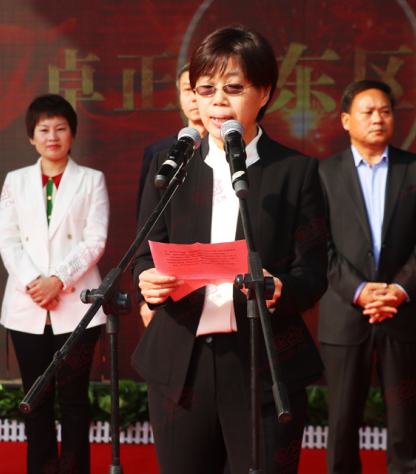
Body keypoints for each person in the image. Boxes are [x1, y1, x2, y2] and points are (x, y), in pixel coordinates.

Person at [132, 24, 327, 474]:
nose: (218, 101)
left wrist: (280, 288)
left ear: (265, 93)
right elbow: (143, 254)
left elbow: (314, 272)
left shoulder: (295, 172)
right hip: (181, 362)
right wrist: (147, 280)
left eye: (234, 88)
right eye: (206, 89)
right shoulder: (171, 166)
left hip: (261, 360)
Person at [317, 80, 416, 474]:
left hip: (402, 310)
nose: (378, 119)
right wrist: (358, 290)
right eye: (368, 112)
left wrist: (400, 289)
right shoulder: (323, 173)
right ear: (345, 120)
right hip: (345, 312)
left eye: (385, 111)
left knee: (404, 420)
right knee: (342, 421)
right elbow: (317, 243)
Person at [0, 94, 109, 474]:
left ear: (72, 134)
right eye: (43, 129)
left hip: (77, 304)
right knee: (37, 398)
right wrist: (35, 283)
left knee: (75, 400)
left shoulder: (92, 180)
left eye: (61, 128)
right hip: (27, 304)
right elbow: (7, 239)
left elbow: (95, 240)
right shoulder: (15, 181)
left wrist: (58, 281)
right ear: (32, 137)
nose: (52, 136)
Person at [137, 63, 206, 328]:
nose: (194, 98)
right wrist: (146, 297)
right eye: (187, 90)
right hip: (171, 288)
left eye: (202, 90)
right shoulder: (160, 154)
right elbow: (147, 227)